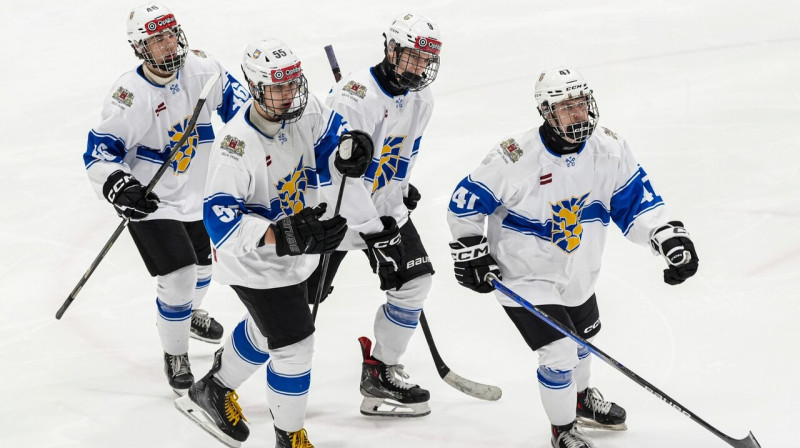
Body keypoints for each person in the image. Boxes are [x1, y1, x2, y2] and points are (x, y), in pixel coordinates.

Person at [446, 67, 699, 448]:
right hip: (524, 274)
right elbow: (464, 203)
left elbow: (637, 204)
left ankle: (580, 400)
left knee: (583, 342)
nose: (577, 115)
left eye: (581, 105)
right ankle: (562, 430)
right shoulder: (515, 156)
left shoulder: (609, 149)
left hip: (579, 270)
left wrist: (667, 237)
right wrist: (471, 252)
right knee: (560, 351)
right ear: (547, 112)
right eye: (566, 108)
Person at [174, 37, 374, 448]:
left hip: (297, 253)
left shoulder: (305, 108)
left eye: (293, 83)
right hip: (254, 261)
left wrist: (353, 149)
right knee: (296, 346)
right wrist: (281, 234)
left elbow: (334, 137)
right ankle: (290, 437)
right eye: (277, 88)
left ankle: (213, 388)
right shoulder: (236, 145)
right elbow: (220, 218)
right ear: (254, 87)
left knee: (270, 334)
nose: (288, 96)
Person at [82, 2, 249, 395]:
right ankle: (175, 352)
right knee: (179, 277)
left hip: (201, 192)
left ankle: (186, 314)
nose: (169, 44)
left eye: (171, 34)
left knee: (205, 272)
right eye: (157, 39)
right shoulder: (129, 94)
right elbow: (100, 153)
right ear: (140, 48)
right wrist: (120, 186)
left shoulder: (205, 70)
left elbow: (244, 115)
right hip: (152, 200)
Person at [304, 13, 442, 418]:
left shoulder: (422, 99)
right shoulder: (353, 97)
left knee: (414, 282)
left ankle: (380, 371)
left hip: (381, 211)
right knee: (296, 303)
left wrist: (400, 194)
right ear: (391, 50)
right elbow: (333, 177)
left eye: (425, 60)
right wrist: (370, 228)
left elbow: (404, 154)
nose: (418, 68)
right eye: (412, 58)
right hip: (333, 213)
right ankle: (222, 378)